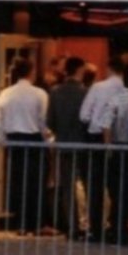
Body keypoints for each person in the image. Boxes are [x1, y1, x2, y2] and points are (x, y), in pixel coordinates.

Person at [0, 57, 52, 236]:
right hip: (34, 139)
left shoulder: (5, 94)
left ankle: (21, 223)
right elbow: (43, 119)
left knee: (18, 181)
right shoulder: (39, 93)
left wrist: (3, 138)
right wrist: (47, 137)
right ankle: (38, 223)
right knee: (37, 182)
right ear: (32, 72)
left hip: (14, 139)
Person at [78, 53, 128, 242]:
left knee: (95, 184)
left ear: (109, 68)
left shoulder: (98, 87)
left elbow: (84, 115)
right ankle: (117, 226)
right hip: (120, 139)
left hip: (96, 138)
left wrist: (95, 120)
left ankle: (96, 228)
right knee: (118, 186)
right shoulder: (127, 89)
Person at [99, 60, 128, 244]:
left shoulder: (115, 99)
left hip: (118, 148)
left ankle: (117, 227)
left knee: (116, 190)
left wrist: (108, 147)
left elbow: (105, 124)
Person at [46, 56, 90, 239]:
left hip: (64, 144)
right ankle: (90, 224)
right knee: (88, 186)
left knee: (67, 188)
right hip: (85, 144)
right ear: (80, 70)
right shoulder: (86, 92)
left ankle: (72, 227)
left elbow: (50, 121)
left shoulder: (55, 92)